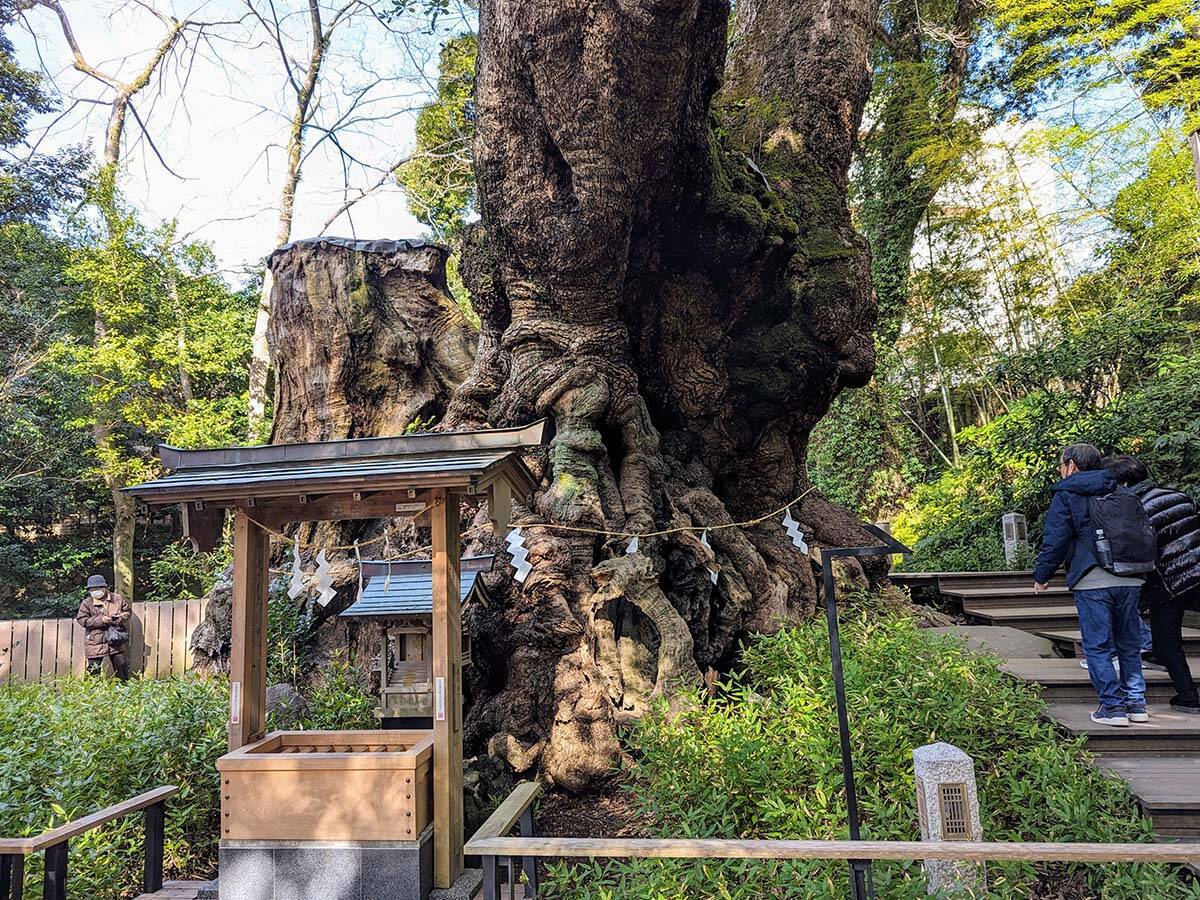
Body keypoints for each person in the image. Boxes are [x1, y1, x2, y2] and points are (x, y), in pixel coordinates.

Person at [1033, 443, 1147, 727]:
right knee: (1129, 645)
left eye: (1061, 465)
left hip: (1092, 577)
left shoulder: (1068, 493)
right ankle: (1136, 704)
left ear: (1071, 465)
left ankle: (1112, 708)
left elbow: (1056, 538)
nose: (1061, 471)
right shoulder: (1122, 490)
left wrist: (1042, 575)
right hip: (1130, 576)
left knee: (1097, 646)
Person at [1104, 454, 1200, 714]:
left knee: (1168, 639)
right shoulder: (1178, 495)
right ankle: (1159, 656)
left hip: (1169, 581)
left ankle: (1189, 697)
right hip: (1197, 572)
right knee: (1164, 640)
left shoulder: (1134, 507)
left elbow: (1140, 549)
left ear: (1122, 482)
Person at [76, 574, 132, 680]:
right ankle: (91, 693)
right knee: (93, 669)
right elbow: (82, 620)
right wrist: (101, 620)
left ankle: (124, 690)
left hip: (115, 638)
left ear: (104, 588)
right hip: (95, 641)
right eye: (91, 589)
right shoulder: (87, 603)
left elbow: (127, 611)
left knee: (121, 666)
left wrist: (120, 618)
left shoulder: (117, 599)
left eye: (97, 588)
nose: (94, 591)